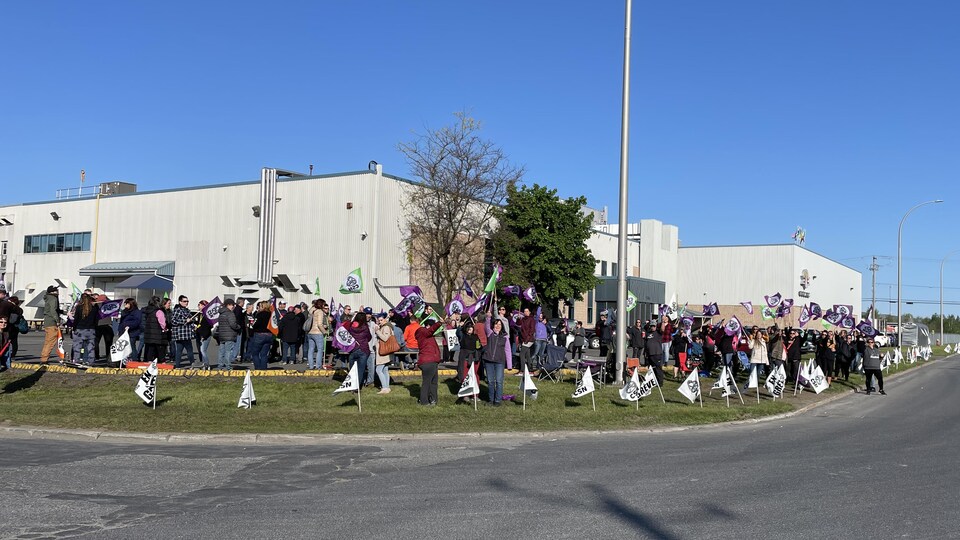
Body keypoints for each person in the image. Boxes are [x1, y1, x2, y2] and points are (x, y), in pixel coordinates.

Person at [415, 316, 445, 405]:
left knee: (433, 382)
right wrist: (439, 323)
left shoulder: (428, 335)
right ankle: (424, 401)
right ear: (428, 326)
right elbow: (430, 330)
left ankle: (433, 399)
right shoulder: (422, 331)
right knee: (427, 382)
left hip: (432, 361)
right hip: (428, 361)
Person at [483, 315, 508, 406]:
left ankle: (497, 400)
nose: (497, 326)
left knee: (499, 381)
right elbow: (486, 326)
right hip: (488, 361)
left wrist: (509, 364)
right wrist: (488, 317)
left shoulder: (505, 337)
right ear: (493, 325)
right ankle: (491, 399)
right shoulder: (490, 333)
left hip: (499, 362)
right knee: (490, 381)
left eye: (500, 325)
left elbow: (508, 350)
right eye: (496, 324)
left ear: (502, 327)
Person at [246, 301, 275, 370]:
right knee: (264, 354)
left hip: (260, 334)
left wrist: (252, 325)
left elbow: (255, 325)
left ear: (262, 307)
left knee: (255, 353)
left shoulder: (260, 314)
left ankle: (258, 368)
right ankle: (264, 369)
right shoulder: (271, 314)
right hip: (269, 335)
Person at [346, 312, 373, 385]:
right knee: (361, 370)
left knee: (352, 369)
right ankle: (357, 386)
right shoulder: (365, 326)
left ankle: (351, 384)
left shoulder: (351, 326)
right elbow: (369, 337)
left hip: (353, 349)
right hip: (363, 349)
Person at [71, 294, 99, 365]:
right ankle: (91, 361)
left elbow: (76, 320)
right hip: (91, 329)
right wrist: (95, 328)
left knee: (77, 347)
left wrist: (74, 329)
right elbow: (96, 320)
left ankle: (76, 361)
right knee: (91, 347)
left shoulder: (79, 308)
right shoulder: (94, 308)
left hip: (80, 329)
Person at [38, 286, 63, 364]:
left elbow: (54, 310)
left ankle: (44, 357)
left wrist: (63, 312)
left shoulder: (48, 298)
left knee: (48, 341)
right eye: (57, 291)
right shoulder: (53, 299)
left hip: (47, 322)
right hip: (52, 322)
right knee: (51, 342)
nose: (58, 292)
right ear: (53, 292)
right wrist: (57, 320)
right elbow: (53, 310)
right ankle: (44, 359)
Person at [170, 295, 196, 369]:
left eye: (187, 301)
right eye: (184, 301)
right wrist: (184, 321)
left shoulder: (187, 310)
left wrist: (191, 320)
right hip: (181, 335)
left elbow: (191, 319)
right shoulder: (178, 310)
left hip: (187, 334)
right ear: (180, 302)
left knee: (182, 351)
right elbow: (173, 320)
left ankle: (178, 366)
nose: (186, 303)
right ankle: (192, 364)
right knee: (188, 350)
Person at [215, 299, 241, 371]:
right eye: (232, 305)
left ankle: (220, 365)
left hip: (222, 335)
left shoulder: (221, 314)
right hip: (229, 334)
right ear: (228, 305)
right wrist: (238, 327)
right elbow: (233, 324)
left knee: (221, 351)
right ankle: (228, 366)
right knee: (228, 351)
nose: (233, 306)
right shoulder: (230, 314)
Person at [306, 299, 331, 370]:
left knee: (311, 349)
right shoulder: (319, 312)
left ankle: (311, 366)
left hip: (310, 332)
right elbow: (319, 324)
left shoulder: (312, 310)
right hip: (317, 332)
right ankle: (318, 366)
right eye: (324, 304)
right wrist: (324, 331)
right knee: (320, 350)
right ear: (321, 304)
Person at [142, 296, 167, 364]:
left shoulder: (146, 311)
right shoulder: (159, 311)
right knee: (160, 348)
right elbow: (162, 322)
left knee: (150, 347)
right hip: (157, 332)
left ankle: (149, 360)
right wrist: (164, 328)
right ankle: (162, 361)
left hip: (148, 332)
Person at [374, 313, 394, 394]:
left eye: (381, 320)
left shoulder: (386, 327)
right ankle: (387, 387)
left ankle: (384, 387)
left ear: (385, 319)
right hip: (386, 352)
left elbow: (385, 338)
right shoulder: (387, 327)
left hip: (383, 352)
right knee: (385, 370)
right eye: (379, 320)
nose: (380, 322)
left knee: (378, 370)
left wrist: (377, 331)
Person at [195, 300, 213, 370]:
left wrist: (203, 336)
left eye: (200, 305)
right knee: (200, 350)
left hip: (205, 335)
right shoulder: (200, 314)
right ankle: (202, 363)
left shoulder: (207, 316)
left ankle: (207, 364)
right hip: (199, 334)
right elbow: (199, 324)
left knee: (203, 350)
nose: (198, 306)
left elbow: (208, 327)